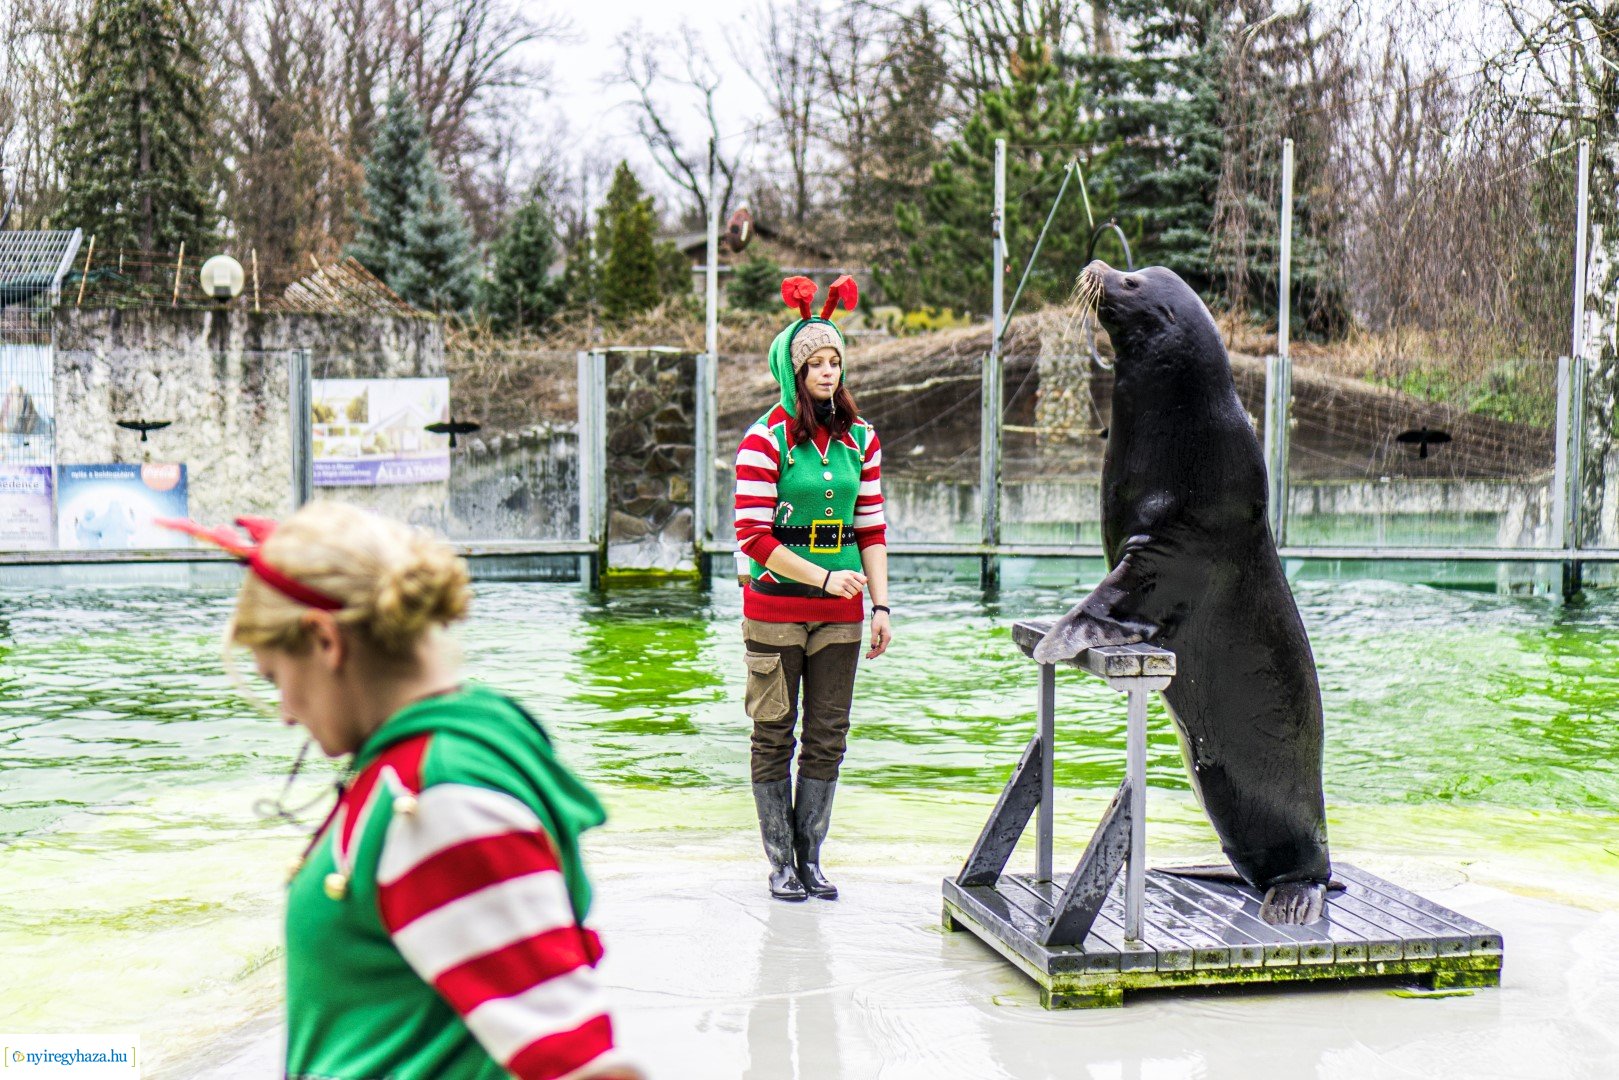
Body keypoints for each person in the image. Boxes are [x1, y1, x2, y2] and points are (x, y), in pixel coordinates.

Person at [163, 504, 639, 1080]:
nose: (286, 713)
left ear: (324, 640)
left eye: (274, 677)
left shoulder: (434, 801)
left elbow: (582, 1065)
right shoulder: (466, 743)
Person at [732, 274, 891, 902]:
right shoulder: (762, 440)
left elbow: (871, 527)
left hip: (841, 613)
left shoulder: (861, 439)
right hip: (774, 610)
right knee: (774, 732)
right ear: (792, 371)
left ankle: (811, 858)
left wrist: (880, 605)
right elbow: (753, 537)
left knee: (828, 735)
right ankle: (779, 862)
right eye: (815, 363)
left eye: (834, 361)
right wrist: (823, 576)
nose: (827, 372)